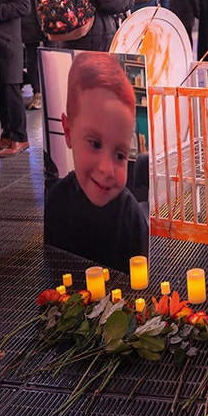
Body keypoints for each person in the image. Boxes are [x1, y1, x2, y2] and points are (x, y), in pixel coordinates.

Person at [44, 52, 148, 271]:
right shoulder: (55, 201)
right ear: (68, 131)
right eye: (95, 144)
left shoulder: (131, 218)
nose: (106, 169)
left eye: (120, 155)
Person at [5, 0, 45, 110]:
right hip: (27, 24)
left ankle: (53, 92)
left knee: (52, 55)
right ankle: (38, 93)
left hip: (48, 21)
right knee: (33, 59)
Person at [0, 0, 31, 158]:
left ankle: (20, 137)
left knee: (11, 94)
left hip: (7, 46)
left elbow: (23, 6)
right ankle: (7, 134)